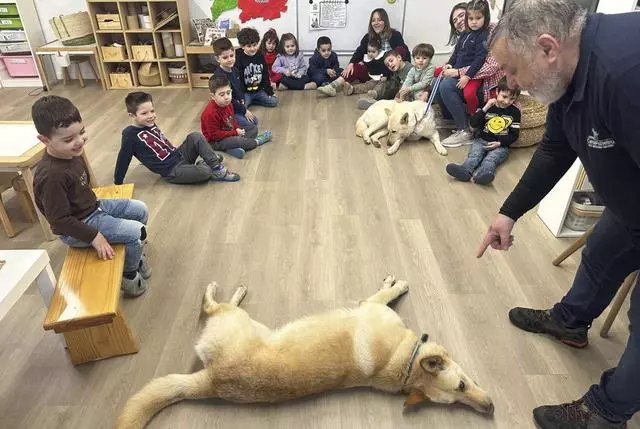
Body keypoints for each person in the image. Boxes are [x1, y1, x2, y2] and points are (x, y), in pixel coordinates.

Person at [479, 1, 640, 428]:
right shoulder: (567, 70)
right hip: (632, 205)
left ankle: (607, 413)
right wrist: (509, 212)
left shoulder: (625, 76)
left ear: (548, 48)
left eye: (512, 71)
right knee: (602, 252)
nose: (510, 83)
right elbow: (554, 148)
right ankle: (570, 322)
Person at [32, 96, 150, 297]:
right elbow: (59, 222)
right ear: (45, 140)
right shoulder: (51, 176)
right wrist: (94, 236)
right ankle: (129, 275)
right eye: (68, 139)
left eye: (82, 132)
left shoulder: (71, 153)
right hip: (77, 226)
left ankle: (134, 253)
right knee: (136, 232)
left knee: (140, 209)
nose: (79, 141)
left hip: (93, 207)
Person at [115, 92, 239, 185]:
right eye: (144, 113)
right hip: (172, 171)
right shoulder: (129, 135)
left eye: (152, 111)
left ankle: (216, 168)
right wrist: (118, 182)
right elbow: (123, 158)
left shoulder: (149, 123)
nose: (151, 116)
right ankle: (207, 164)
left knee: (195, 136)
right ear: (132, 115)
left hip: (179, 155)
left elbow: (154, 145)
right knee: (205, 172)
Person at [436, 2, 503, 131]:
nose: (473, 21)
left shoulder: (489, 33)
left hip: (483, 81)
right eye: (455, 20)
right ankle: (452, 119)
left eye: (461, 15)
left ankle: (466, 127)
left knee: (447, 85)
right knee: (436, 80)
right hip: (466, 73)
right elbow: (456, 55)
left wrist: (460, 73)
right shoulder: (464, 35)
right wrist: (449, 65)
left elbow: (489, 65)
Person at [317, 8, 409, 97]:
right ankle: (332, 86)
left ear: (385, 21)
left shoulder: (395, 35)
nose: (376, 23)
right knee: (354, 66)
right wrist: (351, 63)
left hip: (388, 74)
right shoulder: (368, 37)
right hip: (372, 72)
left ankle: (371, 95)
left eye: (379, 20)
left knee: (385, 85)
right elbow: (360, 51)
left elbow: (403, 52)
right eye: (373, 20)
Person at [445, 77, 520, 185]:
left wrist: (500, 143)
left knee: (491, 159)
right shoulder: (486, 106)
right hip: (481, 140)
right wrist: (486, 108)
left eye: (512, 99)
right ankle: (465, 170)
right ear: (497, 92)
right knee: (474, 156)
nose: (507, 101)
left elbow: (514, 135)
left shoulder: (515, 112)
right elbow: (473, 123)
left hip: (501, 145)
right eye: (504, 96)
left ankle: (484, 175)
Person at [201, 74, 272, 159]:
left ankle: (233, 147)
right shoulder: (210, 113)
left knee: (253, 128)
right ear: (213, 96)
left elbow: (233, 120)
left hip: (229, 132)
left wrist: (237, 130)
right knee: (238, 140)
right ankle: (255, 142)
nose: (226, 97)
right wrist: (235, 133)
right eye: (222, 95)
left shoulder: (229, 104)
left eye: (228, 93)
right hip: (215, 141)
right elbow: (214, 136)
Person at [212, 37, 257, 128]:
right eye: (225, 57)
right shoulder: (220, 76)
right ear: (217, 59)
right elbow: (228, 99)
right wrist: (244, 110)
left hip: (236, 104)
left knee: (254, 121)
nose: (229, 59)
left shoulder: (235, 70)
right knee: (251, 124)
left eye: (231, 56)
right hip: (226, 109)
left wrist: (241, 99)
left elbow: (239, 87)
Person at [235, 27, 278, 108]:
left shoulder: (260, 55)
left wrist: (269, 91)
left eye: (254, 45)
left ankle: (253, 101)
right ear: (242, 46)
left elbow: (265, 74)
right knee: (242, 108)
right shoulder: (238, 57)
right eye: (249, 46)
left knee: (274, 102)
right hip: (246, 92)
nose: (252, 49)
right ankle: (250, 101)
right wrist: (240, 96)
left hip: (259, 91)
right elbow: (239, 79)